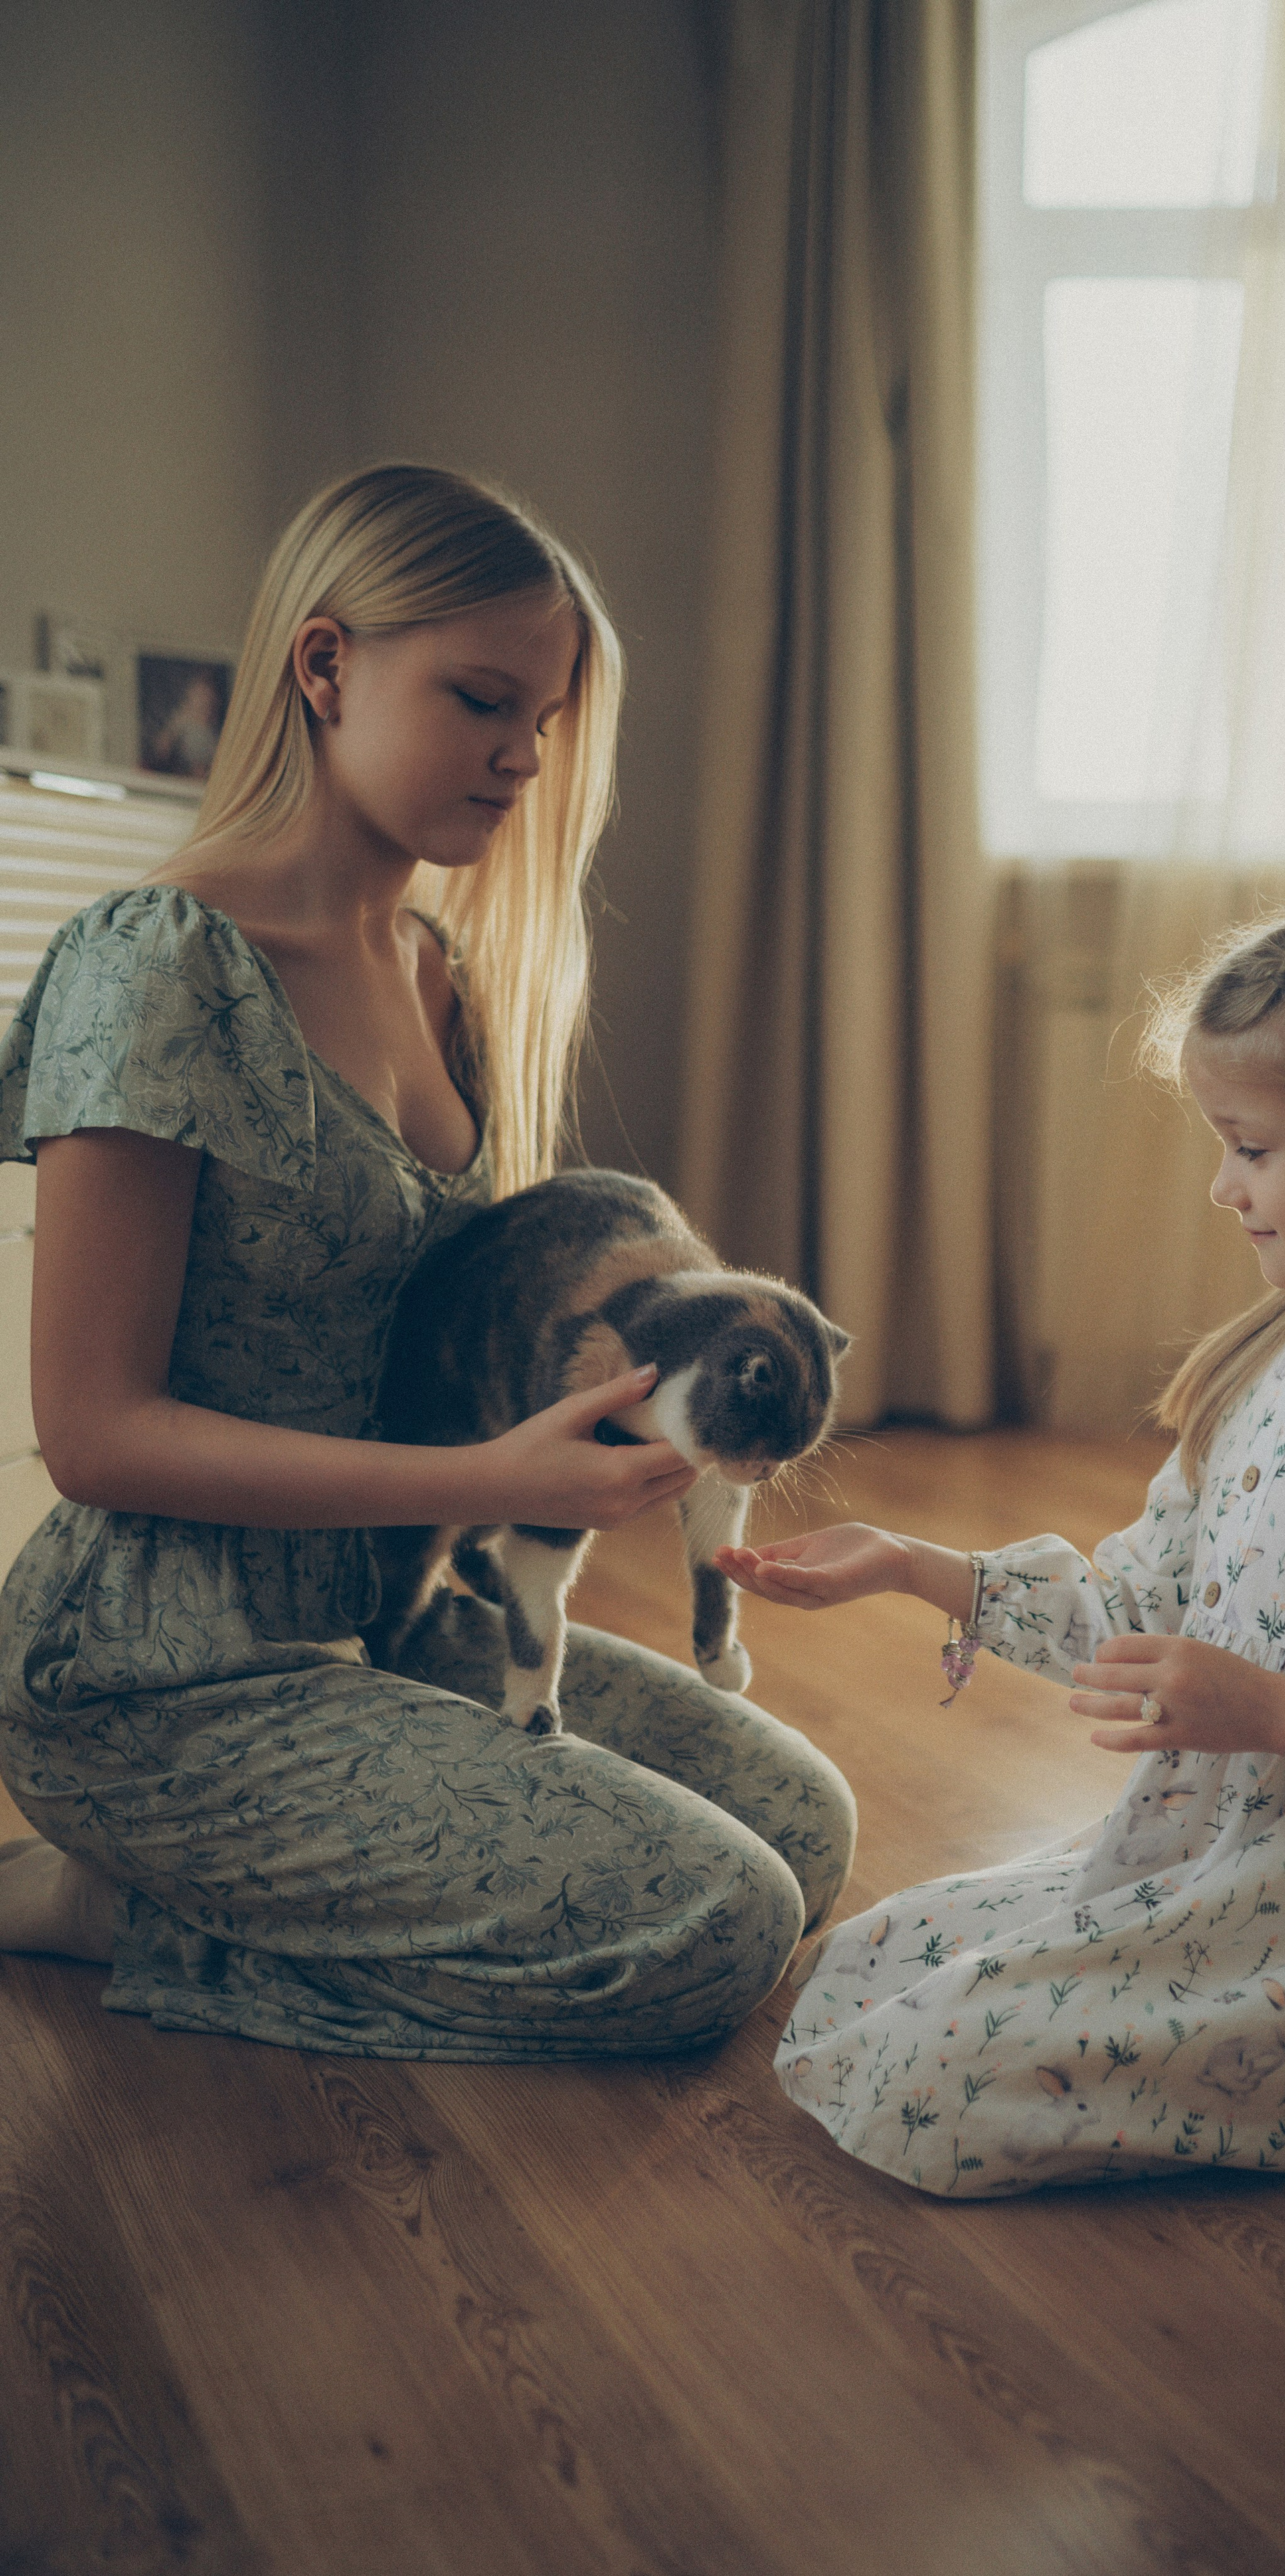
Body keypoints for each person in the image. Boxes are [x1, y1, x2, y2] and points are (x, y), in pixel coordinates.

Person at [0, 462, 854, 2057]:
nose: (524, 755)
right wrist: (477, 1475)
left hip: (388, 1613)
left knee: (798, 1832)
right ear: (323, 667)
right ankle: (113, 1895)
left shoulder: (437, 969)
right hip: (162, 1672)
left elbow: (469, 1324)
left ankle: (222, 1887)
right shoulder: (159, 966)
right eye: (480, 699)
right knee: (718, 1924)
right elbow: (98, 1434)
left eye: (545, 716)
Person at [718, 885, 1285, 2196]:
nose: (1219, 1184)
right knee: (877, 1959)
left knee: (932, 2076)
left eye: (1249, 1146)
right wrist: (917, 1567)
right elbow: (1131, 1607)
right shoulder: (1265, 1372)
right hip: (1200, 1873)